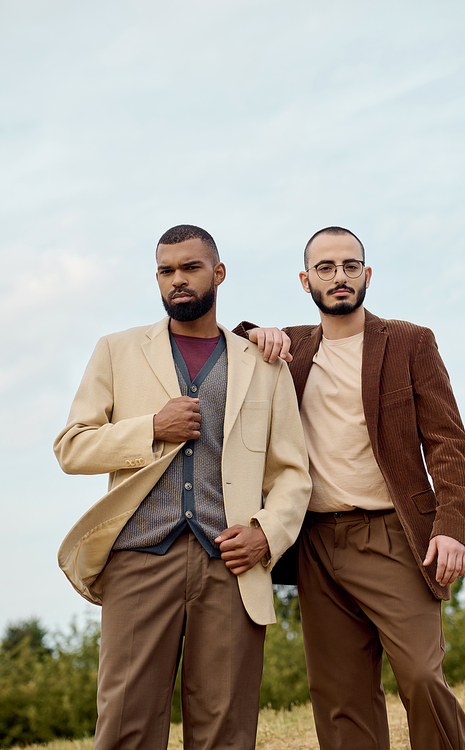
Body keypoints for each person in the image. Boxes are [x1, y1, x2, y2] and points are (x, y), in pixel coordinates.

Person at [54, 224, 311, 750]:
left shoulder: (264, 365)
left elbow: (292, 473)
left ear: (217, 273)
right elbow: (72, 447)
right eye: (166, 271)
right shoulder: (115, 350)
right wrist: (151, 427)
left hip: (230, 567)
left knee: (225, 730)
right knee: (125, 726)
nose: (178, 281)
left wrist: (266, 533)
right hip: (138, 560)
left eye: (190, 268)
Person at [235, 226, 465, 750]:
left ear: (366, 275)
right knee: (340, 699)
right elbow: (228, 343)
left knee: (421, 677)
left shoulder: (411, 341)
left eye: (349, 266)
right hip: (317, 543)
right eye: (325, 268)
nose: (338, 276)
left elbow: (448, 445)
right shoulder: (291, 347)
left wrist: (452, 526)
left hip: (395, 536)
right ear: (306, 280)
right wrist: (254, 331)